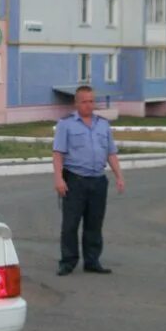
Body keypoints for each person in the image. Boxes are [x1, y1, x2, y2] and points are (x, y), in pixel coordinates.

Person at [52, 86, 125, 276]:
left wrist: (119, 176)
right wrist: (59, 179)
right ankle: (68, 262)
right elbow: (58, 153)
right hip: (75, 180)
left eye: (91, 101)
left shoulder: (103, 124)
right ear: (76, 103)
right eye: (84, 101)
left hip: (98, 181)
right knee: (70, 224)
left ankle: (92, 261)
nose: (88, 105)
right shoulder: (66, 124)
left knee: (94, 224)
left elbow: (111, 153)